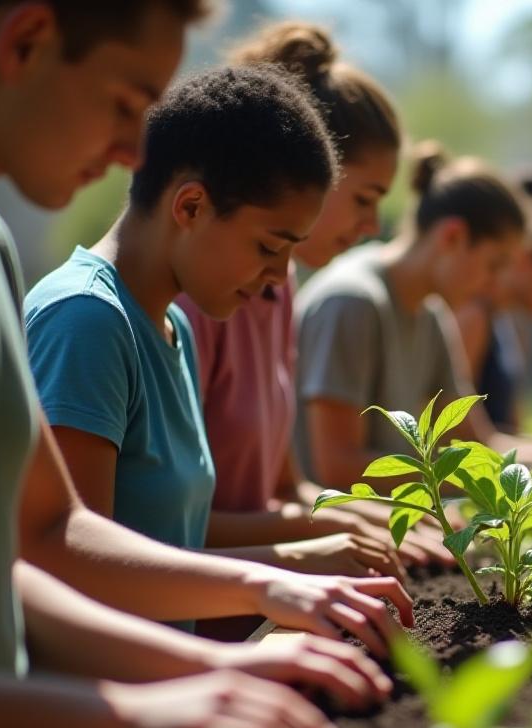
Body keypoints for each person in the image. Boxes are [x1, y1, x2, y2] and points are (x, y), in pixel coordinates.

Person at [0, 3, 404, 728]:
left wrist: (232, 637)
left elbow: (44, 537)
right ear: (25, 40)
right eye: (128, 103)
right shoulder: (74, 310)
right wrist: (131, 712)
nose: (137, 152)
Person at [175, 23, 448, 578]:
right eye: (365, 199)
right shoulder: (201, 299)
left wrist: (362, 516)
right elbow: (167, 523)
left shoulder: (278, 292)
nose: (373, 227)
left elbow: (287, 489)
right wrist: (329, 530)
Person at [295, 141, 532, 488]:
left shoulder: (430, 315)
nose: (494, 286)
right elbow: (337, 467)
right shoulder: (353, 301)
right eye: (493, 265)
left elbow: (476, 443)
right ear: (453, 237)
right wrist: (475, 480)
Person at [457, 172, 532, 432]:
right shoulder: (473, 317)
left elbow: (513, 428)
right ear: (527, 258)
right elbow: (452, 434)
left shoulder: (511, 325)